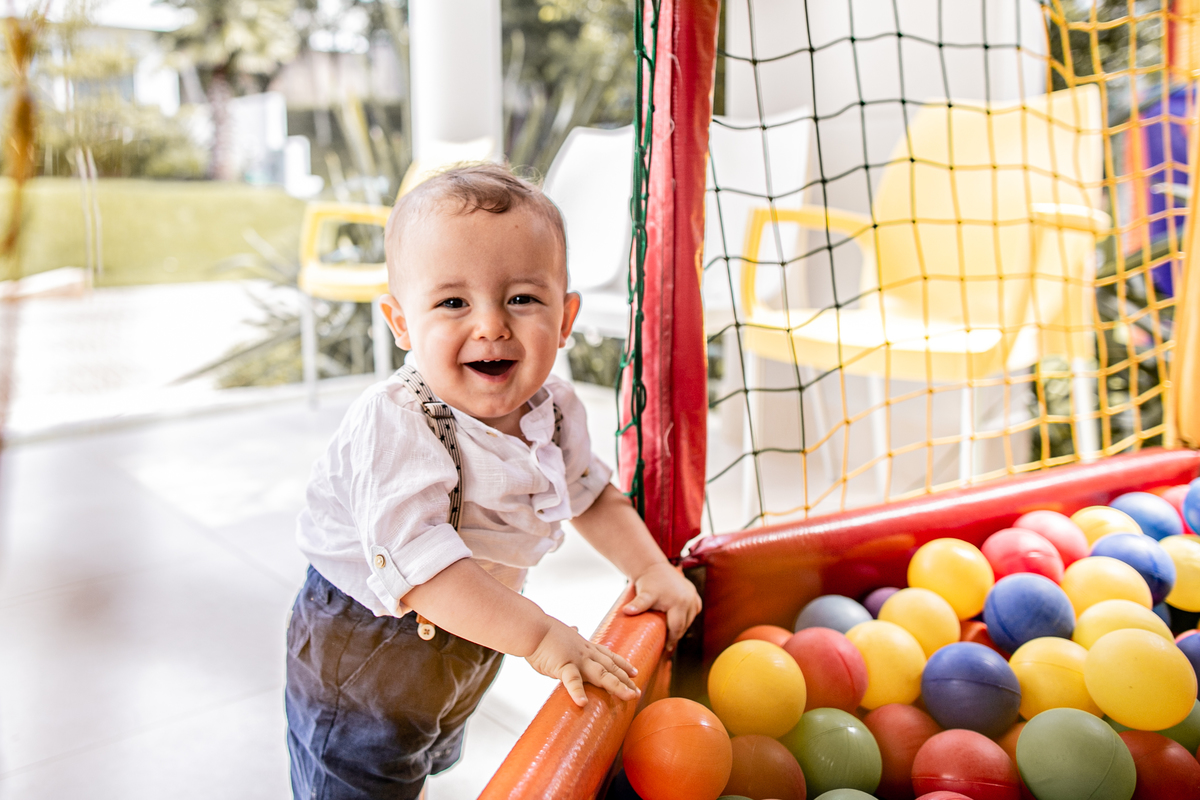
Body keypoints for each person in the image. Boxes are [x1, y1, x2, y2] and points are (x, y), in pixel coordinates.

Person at [285, 162, 703, 800]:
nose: (491, 325)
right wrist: (539, 636)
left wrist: (651, 570)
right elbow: (423, 570)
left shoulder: (555, 408)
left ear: (565, 320)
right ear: (400, 322)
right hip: (370, 642)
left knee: (417, 759)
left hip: (472, 627)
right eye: (453, 302)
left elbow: (590, 493)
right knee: (362, 777)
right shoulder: (398, 423)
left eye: (522, 299)